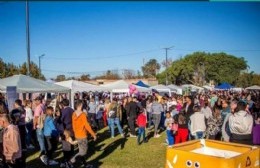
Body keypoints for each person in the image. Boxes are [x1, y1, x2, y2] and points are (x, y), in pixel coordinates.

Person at [71, 100, 97, 168]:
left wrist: (75, 133)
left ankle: (85, 164)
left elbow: (73, 125)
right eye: (82, 105)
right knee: (83, 152)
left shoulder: (73, 114)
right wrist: (93, 134)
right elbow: (87, 125)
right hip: (82, 136)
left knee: (81, 151)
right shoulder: (82, 114)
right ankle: (71, 161)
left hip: (77, 135)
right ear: (80, 105)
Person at [33, 96, 47, 164]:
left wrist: (34, 125)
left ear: (39, 100)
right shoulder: (43, 105)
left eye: (36, 100)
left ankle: (43, 154)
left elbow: (36, 117)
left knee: (40, 139)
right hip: (43, 124)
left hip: (39, 125)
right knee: (43, 139)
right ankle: (44, 151)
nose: (35, 102)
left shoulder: (38, 107)